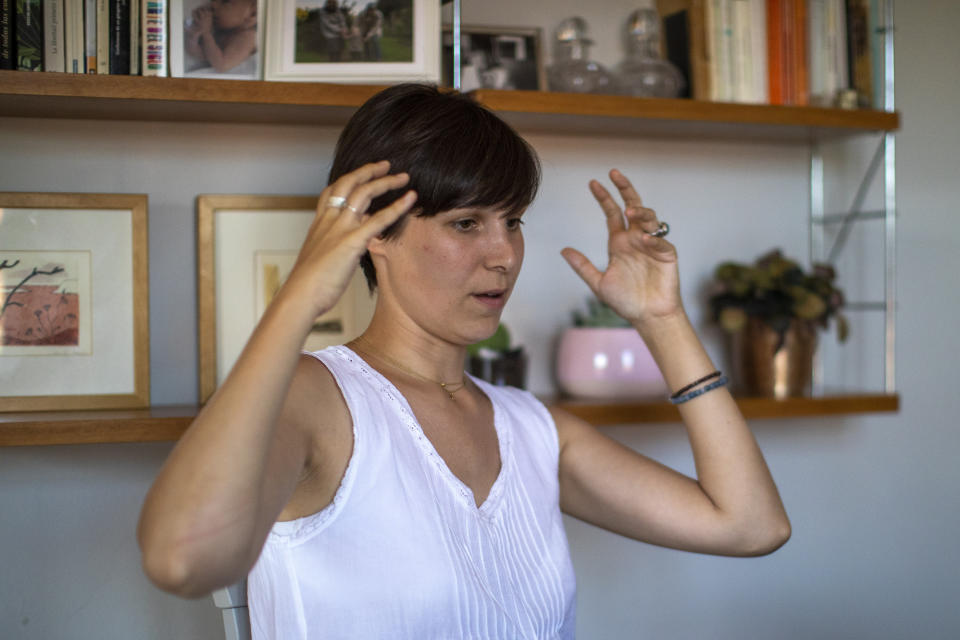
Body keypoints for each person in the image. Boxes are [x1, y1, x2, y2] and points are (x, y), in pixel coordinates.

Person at [137, 84, 790, 639]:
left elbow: (751, 525)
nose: (503, 254)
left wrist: (662, 320)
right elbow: (182, 560)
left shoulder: (532, 429)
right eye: (467, 224)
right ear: (374, 233)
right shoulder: (317, 399)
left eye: (514, 222)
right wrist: (301, 295)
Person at [184, 0, 258, 74]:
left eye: (225, 1)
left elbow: (222, 65)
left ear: (253, 13)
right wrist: (193, 38)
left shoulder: (248, 37)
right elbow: (203, 56)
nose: (212, 5)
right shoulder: (222, 29)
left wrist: (206, 33)